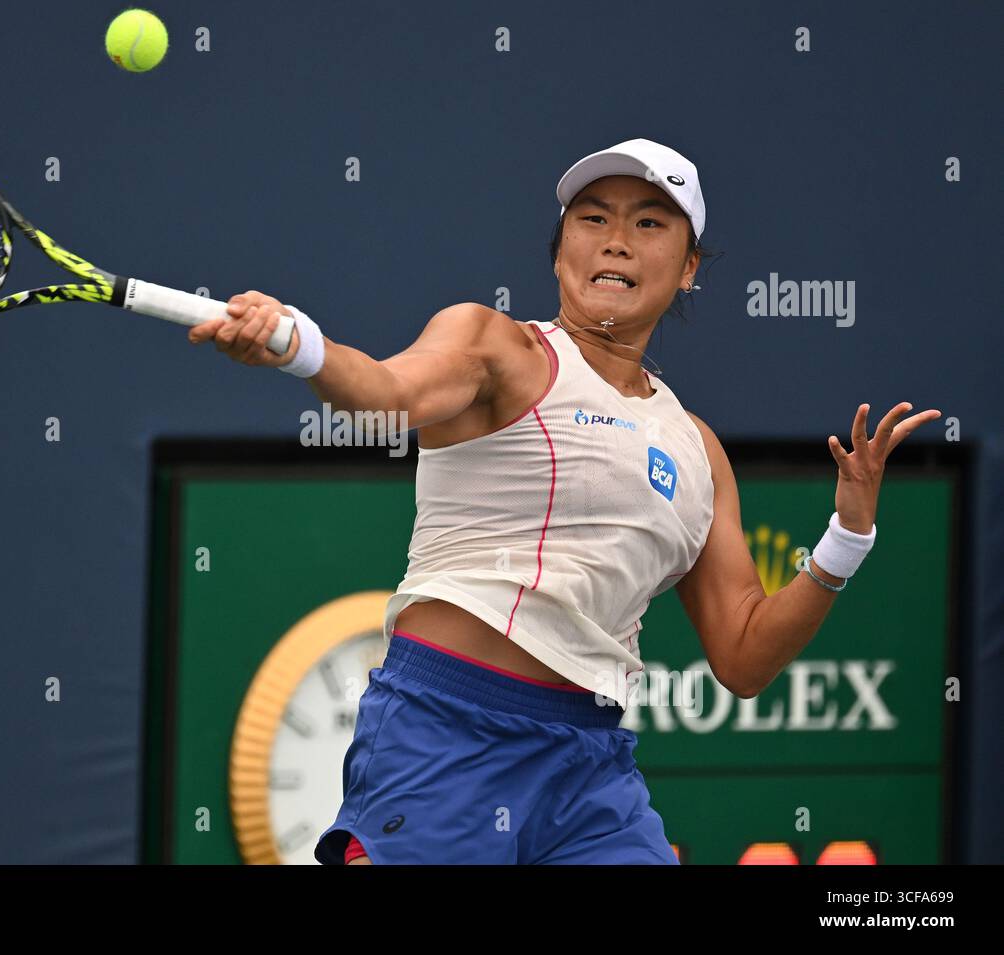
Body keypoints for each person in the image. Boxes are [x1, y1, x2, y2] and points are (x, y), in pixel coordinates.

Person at [189, 139, 940, 865]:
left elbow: (744, 656)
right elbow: (384, 392)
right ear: (559, 254)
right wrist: (298, 346)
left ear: (688, 269)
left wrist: (847, 538)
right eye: (593, 218)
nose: (616, 240)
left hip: (589, 767)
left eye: (649, 222)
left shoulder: (697, 449)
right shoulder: (497, 347)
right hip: (448, 732)